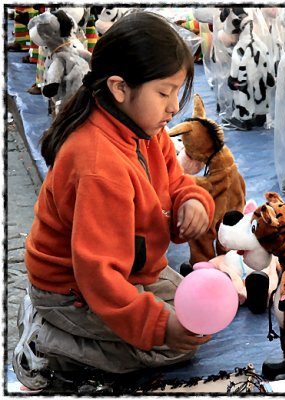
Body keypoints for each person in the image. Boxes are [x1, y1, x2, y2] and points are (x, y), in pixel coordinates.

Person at [13, 10, 215, 391]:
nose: (174, 107)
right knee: (173, 347)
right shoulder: (97, 165)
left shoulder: (143, 126)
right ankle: (48, 342)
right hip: (71, 287)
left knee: (192, 320)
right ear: (120, 87)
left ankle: (88, 327)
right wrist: (159, 327)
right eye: (164, 92)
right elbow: (98, 275)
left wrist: (191, 200)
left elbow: (173, 178)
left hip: (126, 268)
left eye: (177, 92)